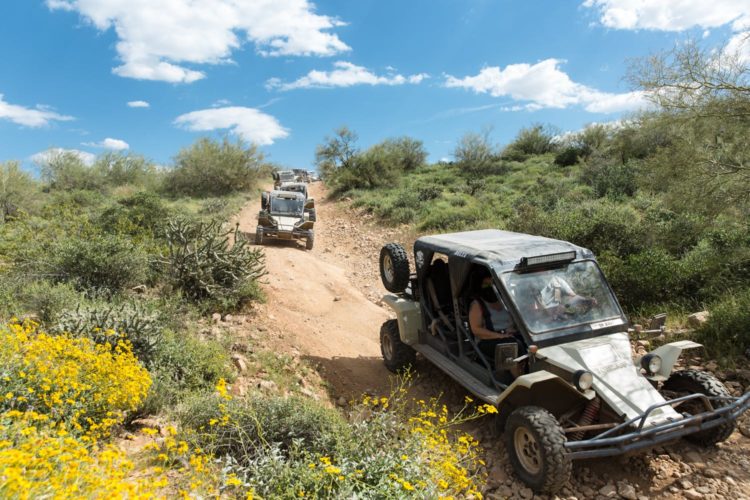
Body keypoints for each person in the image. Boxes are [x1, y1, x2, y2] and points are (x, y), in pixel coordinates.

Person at [468, 270, 525, 361]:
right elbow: (476, 330)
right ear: (479, 286)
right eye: (486, 285)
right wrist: (499, 336)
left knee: (528, 343)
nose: (490, 287)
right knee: (515, 346)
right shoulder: (477, 304)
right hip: (488, 340)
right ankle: (520, 370)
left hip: (510, 336)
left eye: (493, 284)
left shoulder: (506, 300)